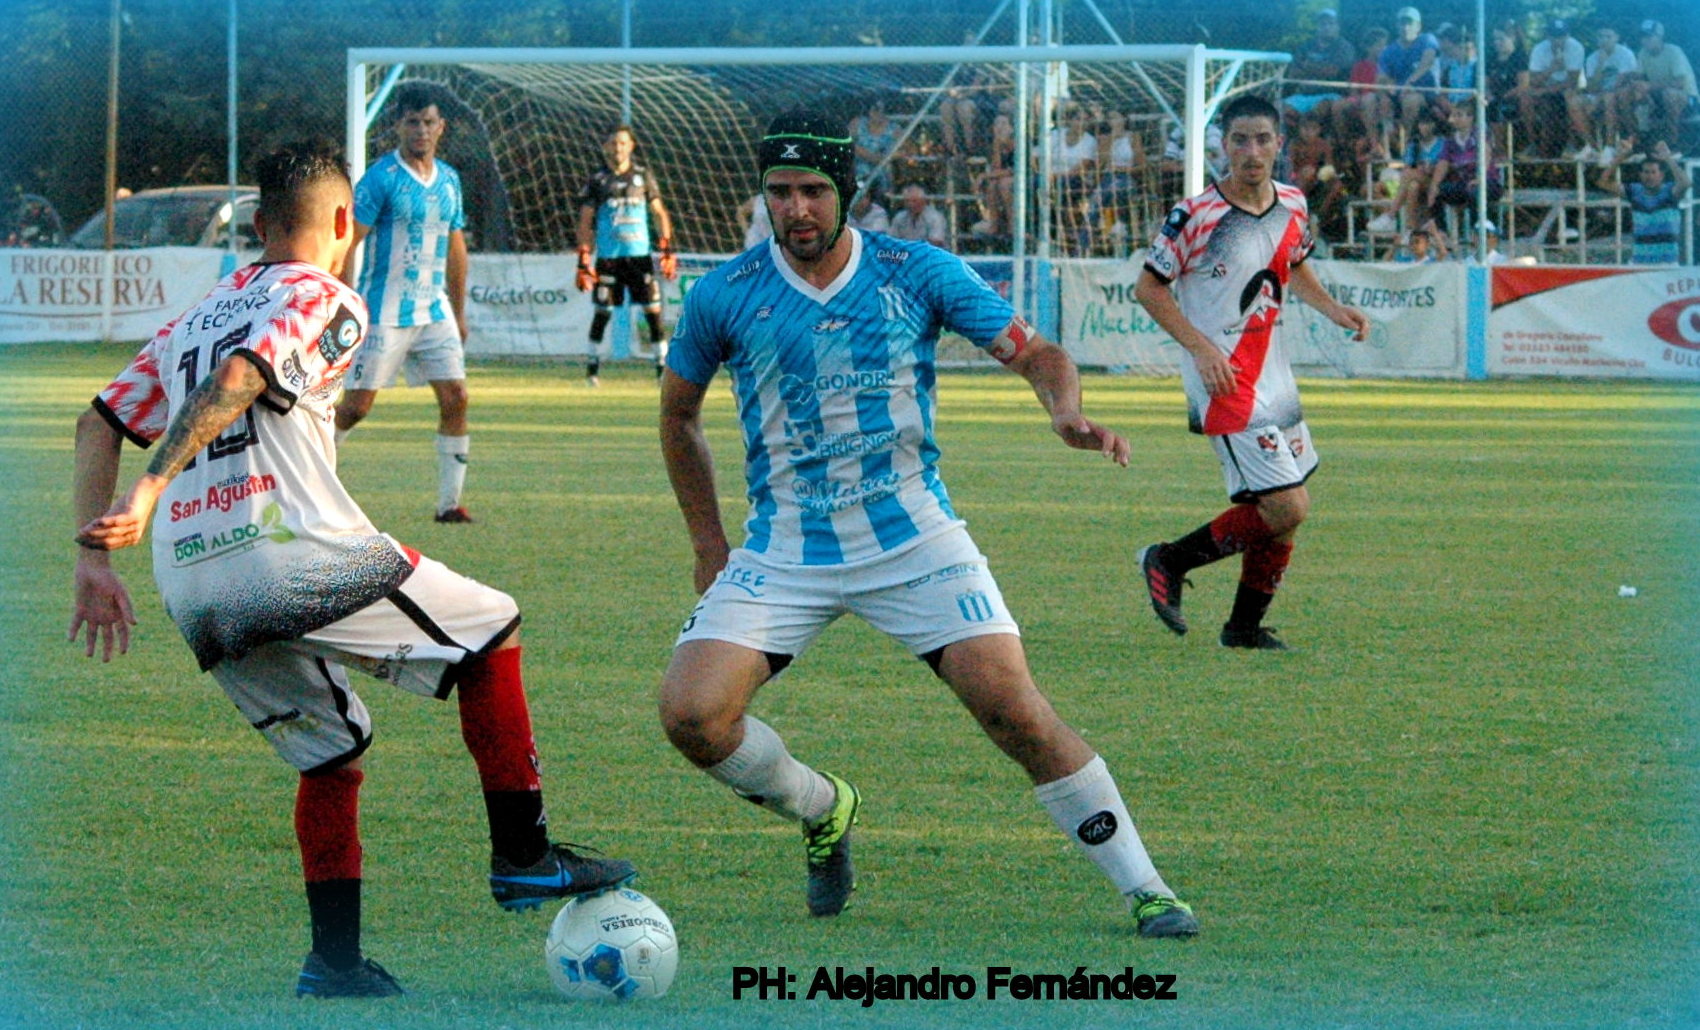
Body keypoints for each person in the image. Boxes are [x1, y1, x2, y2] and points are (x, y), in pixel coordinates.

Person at [67, 140, 637, 1000]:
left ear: (257, 226)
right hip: (284, 548)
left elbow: (96, 421)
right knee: (491, 628)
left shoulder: (191, 317)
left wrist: (92, 560)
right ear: (344, 224)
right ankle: (524, 857)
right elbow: (243, 375)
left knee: (330, 751)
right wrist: (149, 489)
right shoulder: (328, 295)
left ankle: (332, 964)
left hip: (190, 579)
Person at [656, 110, 1198, 938]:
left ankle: (1148, 889)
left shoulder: (918, 271)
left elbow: (1039, 354)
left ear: (847, 194)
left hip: (914, 537)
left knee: (1013, 709)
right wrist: (708, 544)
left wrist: (1066, 411)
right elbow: (678, 419)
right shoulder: (724, 293)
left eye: (813, 191)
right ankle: (822, 806)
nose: (797, 210)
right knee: (692, 717)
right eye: (780, 193)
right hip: (786, 546)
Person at [1133, 95, 1370, 652]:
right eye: (1240, 139)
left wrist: (1333, 308)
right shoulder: (1194, 216)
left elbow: (1294, 263)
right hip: (1225, 384)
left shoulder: (1292, 201)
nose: (1251, 151)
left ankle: (1242, 628)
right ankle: (1168, 558)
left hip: (1274, 376)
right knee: (1287, 505)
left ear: (1278, 144)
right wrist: (1201, 349)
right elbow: (1148, 289)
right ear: (1223, 145)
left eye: (1262, 139)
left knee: (1280, 514)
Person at [332, 84, 475, 524]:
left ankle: (449, 505)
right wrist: (342, 300)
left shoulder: (449, 180)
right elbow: (348, 242)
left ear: (441, 128)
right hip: (384, 311)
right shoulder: (380, 179)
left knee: (456, 397)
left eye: (429, 122)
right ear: (398, 126)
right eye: (412, 122)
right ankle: (305, 479)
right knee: (356, 408)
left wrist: (459, 310)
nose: (421, 130)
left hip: (433, 312)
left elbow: (456, 248)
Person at [574, 124, 678, 385]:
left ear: (631, 146)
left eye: (623, 143)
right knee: (603, 312)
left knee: (653, 312)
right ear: (606, 147)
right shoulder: (597, 180)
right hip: (609, 258)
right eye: (614, 143)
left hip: (639, 257)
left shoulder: (643, 176)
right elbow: (585, 220)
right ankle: (592, 371)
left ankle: (661, 370)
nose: (618, 148)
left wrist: (666, 248)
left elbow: (659, 213)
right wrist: (584, 257)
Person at [1596, 139, 1691, 264]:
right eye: (1646, 172)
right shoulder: (1635, 191)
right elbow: (1602, 182)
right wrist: (1620, 158)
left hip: (1667, 263)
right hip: (1639, 263)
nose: (1649, 176)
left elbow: (1686, 183)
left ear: (1661, 175)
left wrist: (1668, 158)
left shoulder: (1670, 192)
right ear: (1640, 174)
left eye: (1653, 172)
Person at [1623, 20, 1698, 148]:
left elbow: (1679, 83)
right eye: (1642, 37)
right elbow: (1639, 77)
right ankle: (1636, 141)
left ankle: (1674, 143)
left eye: (1649, 36)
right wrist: (1628, 79)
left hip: (1687, 99)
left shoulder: (1674, 51)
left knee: (1670, 95)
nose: (1645, 40)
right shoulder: (1643, 53)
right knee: (1628, 94)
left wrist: (1650, 86)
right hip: (1659, 98)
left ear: (1660, 36)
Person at [1377, 7, 1441, 148]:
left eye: (1410, 23)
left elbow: (1427, 62)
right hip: (1399, 94)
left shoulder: (1427, 40)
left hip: (1427, 94)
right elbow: (1382, 77)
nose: (1406, 27)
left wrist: (1409, 83)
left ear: (1418, 26)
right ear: (1397, 25)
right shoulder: (1388, 50)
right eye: (1402, 23)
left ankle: (1407, 144)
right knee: (1374, 101)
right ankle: (1381, 146)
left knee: (1411, 100)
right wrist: (1387, 88)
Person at [1522, 18, 1586, 157]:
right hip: (1547, 88)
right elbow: (1533, 81)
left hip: (1571, 90)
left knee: (1569, 97)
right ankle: (1533, 143)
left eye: (1562, 36)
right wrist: (1551, 69)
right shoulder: (1539, 49)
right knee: (1526, 98)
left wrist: (1544, 90)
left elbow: (1572, 82)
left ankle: (1573, 143)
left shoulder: (1576, 47)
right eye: (1555, 37)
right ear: (1548, 36)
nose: (1558, 40)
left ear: (1568, 35)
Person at [1283, 8, 1357, 130]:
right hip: (1304, 95)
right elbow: (1293, 74)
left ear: (1338, 26)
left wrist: (1307, 67)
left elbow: (1332, 71)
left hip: (1332, 95)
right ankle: (1286, 146)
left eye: (1331, 23)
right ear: (1317, 26)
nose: (1326, 27)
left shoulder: (1345, 47)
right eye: (1323, 24)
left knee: (1317, 111)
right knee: (1278, 108)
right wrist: (1319, 69)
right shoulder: (1305, 46)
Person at [1580, 27, 1640, 158]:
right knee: (1575, 102)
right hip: (1598, 95)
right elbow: (1591, 88)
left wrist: (1600, 96)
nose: (1604, 40)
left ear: (1617, 37)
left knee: (1608, 98)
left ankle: (1609, 146)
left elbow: (1626, 81)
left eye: (1608, 36)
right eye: (1601, 36)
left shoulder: (1626, 54)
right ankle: (1591, 146)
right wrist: (1600, 65)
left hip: (1620, 95)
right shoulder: (1592, 58)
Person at [888, 182, 948, 247]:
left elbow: (936, 242)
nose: (910, 204)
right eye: (907, 201)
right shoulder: (899, 218)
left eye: (914, 201)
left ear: (923, 201)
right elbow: (892, 240)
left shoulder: (935, 218)